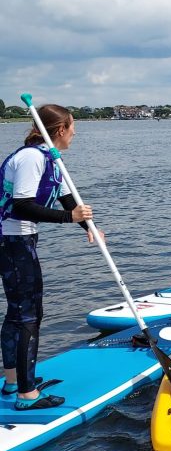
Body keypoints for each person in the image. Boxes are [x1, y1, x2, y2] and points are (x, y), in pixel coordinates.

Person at [1, 104, 95, 409]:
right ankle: (26, 395)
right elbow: (22, 206)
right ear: (59, 130)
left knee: (19, 312)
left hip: (20, 240)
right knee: (27, 314)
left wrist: (89, 227)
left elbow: (70, 199)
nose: (75, 132)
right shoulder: (31, 158)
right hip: (12, 240)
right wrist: (69, 218)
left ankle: (13, 382)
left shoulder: (52, 159)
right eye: (72, 126)